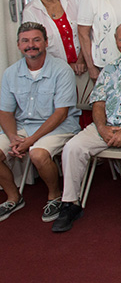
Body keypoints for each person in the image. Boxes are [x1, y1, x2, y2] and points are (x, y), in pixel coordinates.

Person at [53, 22, 121, 233]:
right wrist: (101, 128)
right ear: (115, 41)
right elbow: (99, 103)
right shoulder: (109, 69)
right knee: (73, 147)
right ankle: (70, 204)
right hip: (107, 125)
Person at [0, 22, 80, 223]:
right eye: (25, 41)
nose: (31, 45)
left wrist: (30, 141)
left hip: (59, 127)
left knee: (38, 153)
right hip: (23, 127)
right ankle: (13, 197)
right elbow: (6, 112)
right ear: (18, 45)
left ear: (45, 42)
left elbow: (61, 114)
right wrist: (13, 137)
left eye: (36, 40)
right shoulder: (10, 73)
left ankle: (54, 196)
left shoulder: (61, 70)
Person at [22, 0, 85, 74]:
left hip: (83, 67)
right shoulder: (30, 11)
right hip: (53, 72)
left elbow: (86, 32)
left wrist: (82, 59)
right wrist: (65, 67)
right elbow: (34, 46)